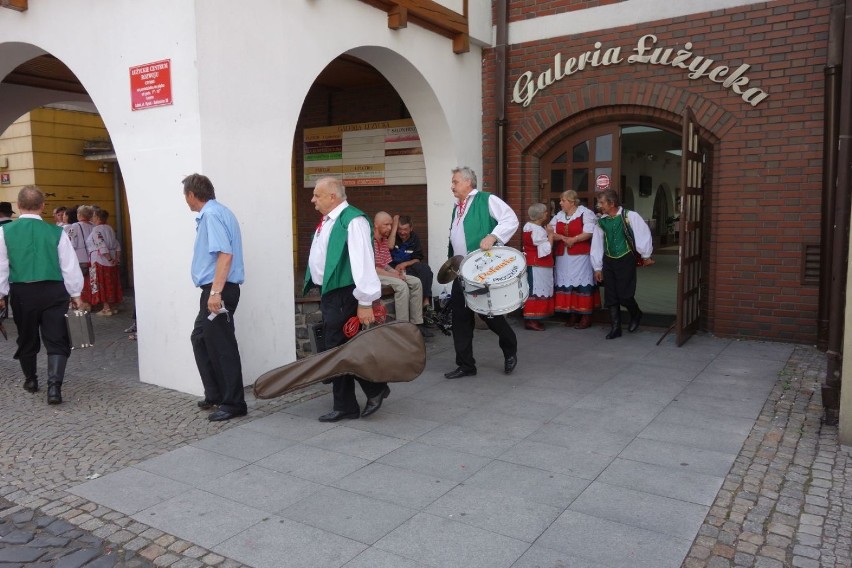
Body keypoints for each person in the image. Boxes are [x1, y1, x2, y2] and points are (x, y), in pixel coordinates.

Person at [305, 176, 390, 422]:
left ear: (332, 196)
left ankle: (349, 404)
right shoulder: (332, 220)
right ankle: (373, 390)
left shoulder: (352, 221)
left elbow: (363, 262)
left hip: (345, 293)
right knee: (343, 348)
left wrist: (365, 301)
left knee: (337, 349)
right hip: (332, 293)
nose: (313, 200)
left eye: (317, 195)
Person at [0, 185, 86, 404]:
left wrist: (1, 294)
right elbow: (69, 265)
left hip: (22, 292)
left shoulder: (4, 232)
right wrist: (76, 294)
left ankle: (31, 379)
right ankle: (54, 388)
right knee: (56, 338)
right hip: (53, 291)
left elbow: (1, 266)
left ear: (18, 206)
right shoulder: (57, 232)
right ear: (43, 206)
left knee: (27, 337)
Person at [444, 166, 519, 379]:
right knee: (460, 319)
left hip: (482, 271)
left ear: (468, 182)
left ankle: (510, 348)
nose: (452, 186)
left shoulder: (487, 199)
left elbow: (510, 219)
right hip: (461, 271)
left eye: (455, 182)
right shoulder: (457, 207)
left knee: (491, 316)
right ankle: (466, 365)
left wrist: (494, 236)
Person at [183, 173, 247, 422]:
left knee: (222, 346)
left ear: (191, 194)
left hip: (218, 290)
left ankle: (233, 403)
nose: (185, 201)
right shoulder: (220, 211)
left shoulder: (210, 215)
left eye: (185, 197)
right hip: (217, 289)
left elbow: (225, 254)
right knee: (200, 338)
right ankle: (216, 393)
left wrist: (216, 293)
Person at [591, 188, 654, 339]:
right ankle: (615, 328)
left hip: (626, 259)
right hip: (608, 260)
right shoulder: (601, 221)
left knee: (625, 295)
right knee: (611, 295)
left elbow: (643, 234)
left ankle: (636, 313)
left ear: (611, 203)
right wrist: (597, 267)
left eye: (601, 202)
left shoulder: (630, 216)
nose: (599, 206)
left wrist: (646, 255)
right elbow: (597, 244)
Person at [373, 211, 431, 337]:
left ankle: (417, 324)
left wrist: (396, 272)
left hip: (383, 272)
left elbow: (385, 265)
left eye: (390, 225)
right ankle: (402, 327)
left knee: (416, 282)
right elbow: (373, 269)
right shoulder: (369, 240)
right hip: (373, 274)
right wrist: (395, 276)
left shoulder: (383, 240)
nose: (389, 228)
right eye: (386, 225)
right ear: (376, 225)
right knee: (402, 285)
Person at [549, 190, 600, 329]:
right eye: (560, 200)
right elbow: (550, 231)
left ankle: (585, 316)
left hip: (580, 256)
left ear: (572, 202)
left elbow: (589, 232)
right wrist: (563, 238)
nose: (560, 203)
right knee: (567, 284)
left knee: (581, 284)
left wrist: (574, 239)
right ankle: (572, 313)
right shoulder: (559, 216)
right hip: (563, 256)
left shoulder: (585, 213)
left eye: (563, 201)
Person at [391, 215, 435, 318]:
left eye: (405, 229)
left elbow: (418, 258)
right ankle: (423, 309)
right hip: (392, 269)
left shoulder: (414, 238)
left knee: (425, 270)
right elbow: (389, 247)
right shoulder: (392, 237)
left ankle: (426, 303)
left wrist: (405, 264)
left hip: (408, 268)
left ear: (411, 228)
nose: (402, 232)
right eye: (400, 229)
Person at [522, 203, 555, 331]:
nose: (547, 214)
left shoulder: (528, 226)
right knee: (536, 289)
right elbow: (546, 249)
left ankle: (533, 319)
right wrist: (550, 235)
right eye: (546, 212)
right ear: (540, 215)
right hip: (538, 264)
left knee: (535, 289)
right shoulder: (537, 230)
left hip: (533, 262)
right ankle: (531, 320)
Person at [86, 209, 123, 316]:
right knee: (111, 282)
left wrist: (109, 258)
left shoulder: (96, 230)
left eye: (93, 216)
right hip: (111, 259)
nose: (92, 218)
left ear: (97, 217)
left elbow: (101, 245)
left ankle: (106, 308)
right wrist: (116, 258)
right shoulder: (109, 228)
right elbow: (117, 245)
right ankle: (112, 306)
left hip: (99, 260)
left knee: (101, 283)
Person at [66, 205, 95, 304]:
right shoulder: (94, 226)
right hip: (93, 258)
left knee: (81, 282)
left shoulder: (74, 226)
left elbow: (71, 241)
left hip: (80, 258)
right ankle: (93, 301)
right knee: (91, 281)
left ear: (79, 214)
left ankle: (83, 302)